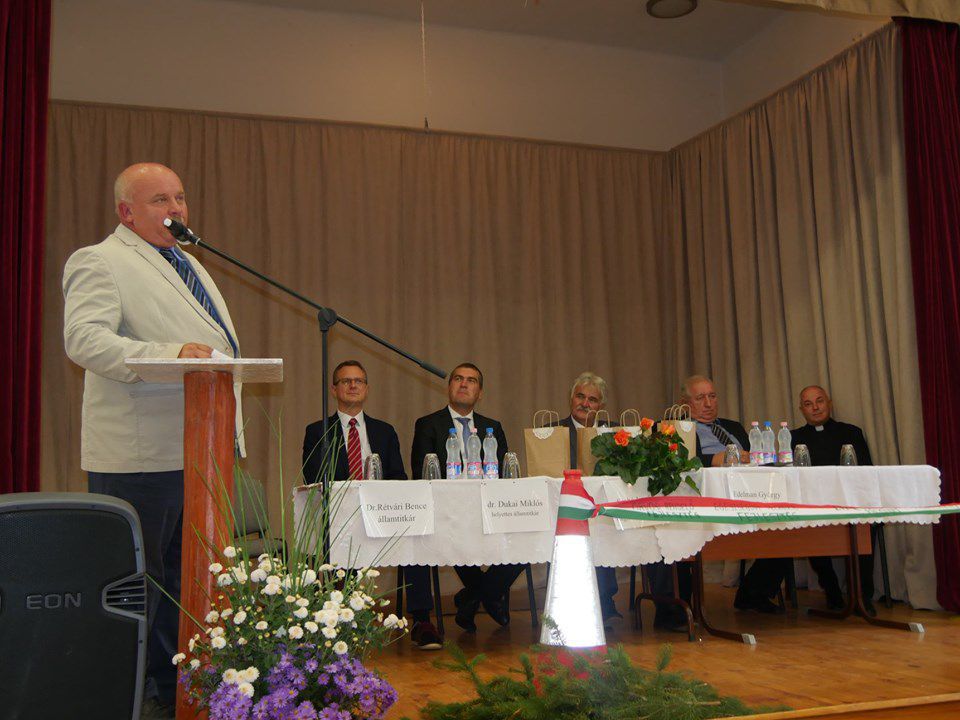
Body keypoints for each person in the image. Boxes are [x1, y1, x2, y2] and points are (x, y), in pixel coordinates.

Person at [62, 163, 242, 716]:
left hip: (197, 450)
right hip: (141, 455)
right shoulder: (100, 260)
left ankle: (180, 694)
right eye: (161, 198)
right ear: (127, 212)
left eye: (182, 197)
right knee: (145, 587)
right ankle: (136, 699)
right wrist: (166, 354)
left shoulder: (188, 264)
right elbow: (84, 340)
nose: (178, 208)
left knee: (189, 589)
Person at [409, 363, 522, 639]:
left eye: (471, 380)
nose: (463, 384)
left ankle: (475, 595)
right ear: (449, 387)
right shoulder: (428, 424)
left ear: (479, 392)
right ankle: (488, 596)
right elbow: (420, 473)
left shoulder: (492, 427)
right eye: (458, 379)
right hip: (444, 513)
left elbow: (505, 476)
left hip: (487, 510)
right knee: (445, 532)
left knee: (526, 531)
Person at [682, 375, 788, 614]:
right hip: (705, 499)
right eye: (700, 398)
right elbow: (685, 463)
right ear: (686, 403)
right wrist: (716, 460)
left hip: (749, 492)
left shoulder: (733, 427)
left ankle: (753, 593)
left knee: (785, 528)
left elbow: (753, 455)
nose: (708, 403)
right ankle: (684, 604)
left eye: (712, 396)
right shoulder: (678, 427)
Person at [792, 385, 876, 614]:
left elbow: (866, 470)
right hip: (813, 504)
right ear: (801, 410)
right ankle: (832, 592)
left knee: (868, 525)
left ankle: (862, 595)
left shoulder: (851, 432)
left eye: (819, 401)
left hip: (850, 502)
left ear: (829, 402)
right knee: (808, 526)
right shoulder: (794, 438)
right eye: (808, 404)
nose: (815, 407)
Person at [555, 371, 621, 625]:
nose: (585, 403)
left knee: (606, 530)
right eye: (580, 396)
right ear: (570, 399)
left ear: (601, 406)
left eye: (592, 400)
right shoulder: (552, 431)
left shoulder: (614, 433)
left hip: (605, 505)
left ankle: (605, 601)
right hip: (568, 507)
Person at [302, 360, 406, 483]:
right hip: (336, 501)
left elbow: (398, 478)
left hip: (378, 500)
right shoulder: (319, 431)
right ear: (334, 390)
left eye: (358, 381)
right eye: (346, 381)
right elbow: (313, 480)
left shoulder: (385, 431)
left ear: (366, 389)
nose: (353, 385)